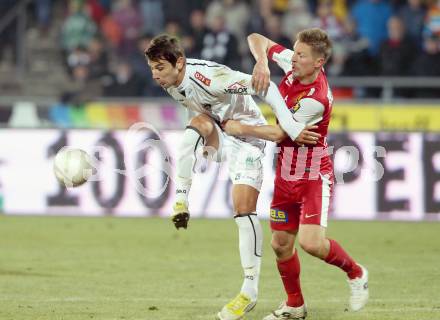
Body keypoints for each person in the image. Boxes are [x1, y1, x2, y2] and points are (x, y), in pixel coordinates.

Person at [144, 34, 320, 320]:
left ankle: (249, 291)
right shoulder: (173, 84)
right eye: (152, 69)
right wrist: (208, 139)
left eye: (160, 68)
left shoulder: (212, 77)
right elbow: (198, 109)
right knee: (189, 134)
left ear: (179, 63)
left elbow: (268, 87)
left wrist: (291, 126)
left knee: (242, 208)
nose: (155, 76)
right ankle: (180, 202)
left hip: (249, 137)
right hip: (222, 134)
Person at [222, 28, 369, 319]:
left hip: (313, 176)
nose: (294, 58)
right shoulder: (293, 61)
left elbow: (280, 132)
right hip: (286, 174)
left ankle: (355, 272)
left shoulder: (316, 99)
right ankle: (294, 305)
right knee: (280, 244)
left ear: (318, 63)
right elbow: (255, 38)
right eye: (295, 51)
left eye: (301, 55)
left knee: (311, 243)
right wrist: (262, 61)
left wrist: (242, 128)